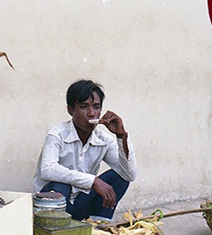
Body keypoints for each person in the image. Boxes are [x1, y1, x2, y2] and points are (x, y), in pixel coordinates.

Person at [33, 79, 137, 221]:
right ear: (70, 110)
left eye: (96, 107)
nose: (91, 113)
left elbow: (129, 175)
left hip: (81, 204)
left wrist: (121, 136)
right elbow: (47, 169)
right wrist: (92, 181)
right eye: (84, 107)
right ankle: (59, 230)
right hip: (53, 204)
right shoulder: (57, 134)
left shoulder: (103, 139)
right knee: (61, 186)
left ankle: (98, 227)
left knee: (120, 179)